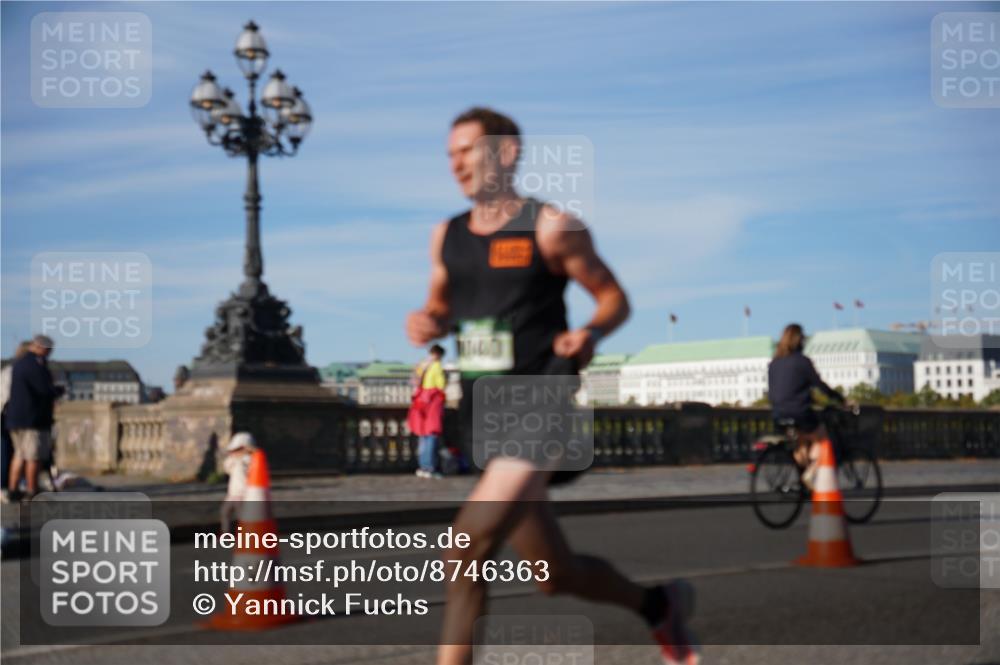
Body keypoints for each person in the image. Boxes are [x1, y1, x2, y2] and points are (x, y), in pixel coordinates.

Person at [406, 107, 699, 665]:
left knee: (463, 549)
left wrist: (588, 332)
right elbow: (442, 306)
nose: (457, 164)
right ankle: (659, 605)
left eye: (468, 150)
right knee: (553, 573)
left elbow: (615, 298)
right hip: (484, 414)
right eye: (450, 155)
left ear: (507, 153)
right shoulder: (445, 236)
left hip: (541, 403)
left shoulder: (552, 226)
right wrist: (428, 322)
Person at [767, 323, 846, 487]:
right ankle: (810, 474)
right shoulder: (802, 362)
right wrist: (838, 398)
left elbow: (781, 390)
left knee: (801, 443)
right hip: (799, 412)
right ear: (799, 340)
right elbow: (819, 385)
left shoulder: (774, 363)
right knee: (824, 440)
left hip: (778, 413)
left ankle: (802, 479)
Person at [6, 335, 63, 501]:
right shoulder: (36, 365)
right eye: (49, 350)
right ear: (41, 348)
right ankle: (32, 490)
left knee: (19, 454)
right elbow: (44, 390)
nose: (49, 354)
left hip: (15, 418)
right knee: (33, 456)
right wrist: (57, 391)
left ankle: (13, 489)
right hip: (33, 419)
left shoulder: (19, 364)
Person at [408, 344, 447, 478]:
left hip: (420, 401)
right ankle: (430, 467)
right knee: (432, 435)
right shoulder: (437, 366)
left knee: (422, 436)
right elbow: (441, 385)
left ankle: (423, 466)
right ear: (440, 355)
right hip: (432, 402)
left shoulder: (421, 365)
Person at [1, 341, 31, 503]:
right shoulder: (20, 372)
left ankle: (7, 486)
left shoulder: (7, 371)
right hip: (14, 417)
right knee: (18, 453)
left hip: (6, 416)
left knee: (8, 452)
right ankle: (12, 486)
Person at [220, 432, 256, 533]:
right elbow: (227, 469)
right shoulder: (233, 460)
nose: (235, 452)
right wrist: (233, 458)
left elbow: (250, 469)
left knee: (241, 515)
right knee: (225, 512)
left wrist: (243, 457)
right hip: (232, 493)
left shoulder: (248, 460)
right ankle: (225, 532)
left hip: (242, 493)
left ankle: (245, 533)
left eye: (238, 450)